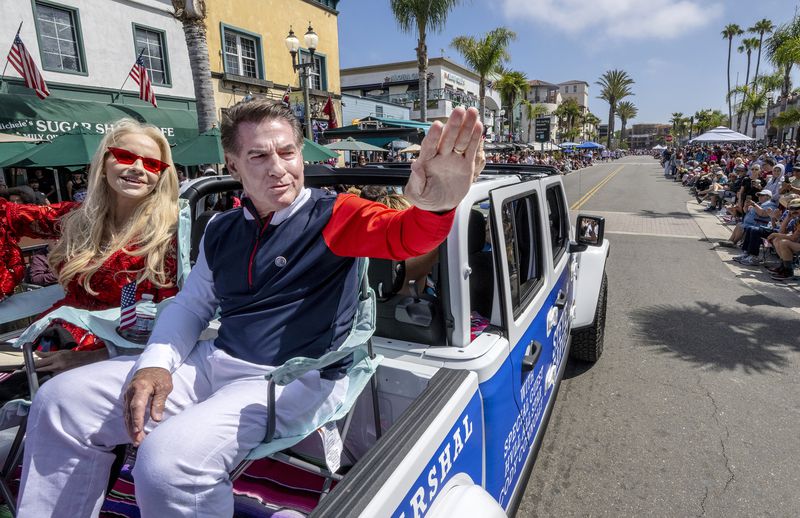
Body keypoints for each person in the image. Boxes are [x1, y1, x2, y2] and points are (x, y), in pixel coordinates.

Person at [17, 102, 484, 517]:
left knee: (167, 464)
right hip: (216, 362)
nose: (279, 168)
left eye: (287, 152)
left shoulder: (335, 213)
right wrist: (155, 364)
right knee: (62, 402)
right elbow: (192, 304)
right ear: (234, 163)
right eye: (259, 156)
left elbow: (403, 236)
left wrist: (435, 208)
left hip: (295, 377)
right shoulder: (221, 227)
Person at [0, 119, 179, 374]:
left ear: (161, 175)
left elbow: (172, 316)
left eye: (151, 163)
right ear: (104, 165)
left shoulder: (171, 231)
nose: (138, 168)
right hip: (55, 340)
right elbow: (6, 215)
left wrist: (94, 356)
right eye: (125, 156)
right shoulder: (76, 218)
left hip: (122, 357)